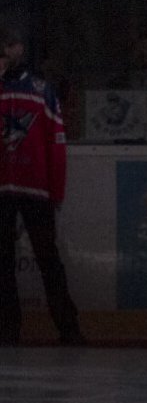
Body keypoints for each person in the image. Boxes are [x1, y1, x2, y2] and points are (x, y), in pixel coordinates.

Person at [0, 26, 84, 346]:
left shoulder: (41, 90)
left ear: (21, 48)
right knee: (2, 264)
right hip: (3, 192)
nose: (7, 53)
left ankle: (68, 327)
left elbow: (56, 145)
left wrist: (56, 192)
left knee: (48, 259)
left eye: (12, 45)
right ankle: (8, 329)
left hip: (36, 191)